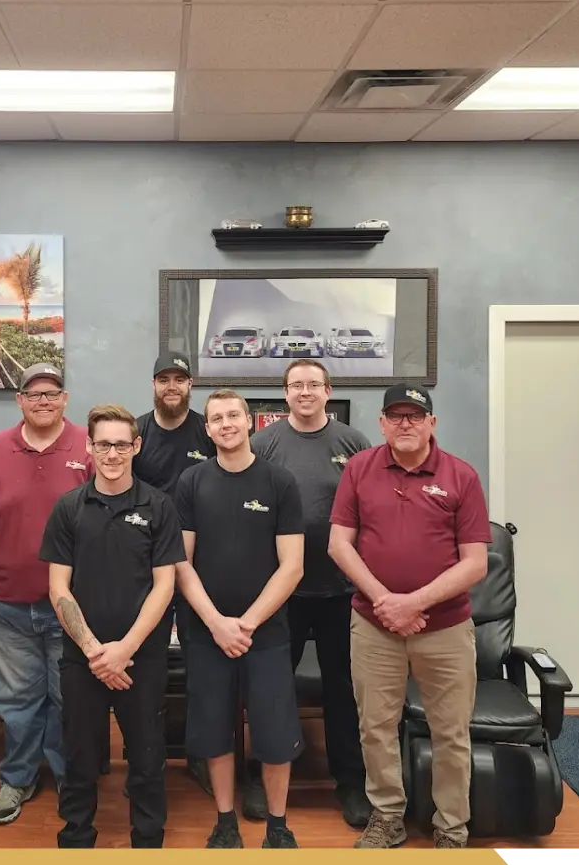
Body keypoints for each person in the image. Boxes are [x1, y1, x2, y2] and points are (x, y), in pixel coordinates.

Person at [328, 383, 490, 850]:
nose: (405, 424)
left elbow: (475, 562)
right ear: (381, 423)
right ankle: (387, 816)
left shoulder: (461, 476)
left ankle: (451, 826)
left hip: (445, 628)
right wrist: (387, 602)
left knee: (451, 732)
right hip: (374, 625)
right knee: (375, 726)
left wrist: (413, 603)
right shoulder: (359, 468)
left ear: (431, 424)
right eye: (395, 416)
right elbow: (340, 544)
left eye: (415, 416)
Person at [39, 403, 186, 849]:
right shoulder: (68, 508)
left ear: (136, 447)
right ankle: (77, 837)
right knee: (80, 756)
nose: (113, 453)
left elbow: (165, 587)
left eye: (122, 444)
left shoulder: (159, 507)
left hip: (141, 657)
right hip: (82, 658)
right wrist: (93, 651)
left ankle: (147, 840)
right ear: (89, 446)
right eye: (104, 444)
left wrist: (125, 649)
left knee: (145, 756)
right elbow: (58, 588)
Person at [0, 363, 94, 825]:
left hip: (70, 606)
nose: (43, 401)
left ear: (64, 398)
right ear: (19, 400)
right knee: (16, 699)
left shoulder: (88, 447)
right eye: (33, 394)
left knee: (67, 697)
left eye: (51, 393)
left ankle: (67, 778)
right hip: (3, 602)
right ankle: (16, 778)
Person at [174, 389, 305, 849]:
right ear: (206, 428)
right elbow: (180, 563)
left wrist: (244, 624)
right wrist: (215, 623)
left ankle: (277, 825)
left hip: (265, 634)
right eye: (216, 418)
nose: (226, 423)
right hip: (206, 633)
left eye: (234, 415)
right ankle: (225, 820)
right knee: (214, 731)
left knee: (274, 732)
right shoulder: (190, 482)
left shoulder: (279, 482)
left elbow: (292, 566)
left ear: (250, 422)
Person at [250, 359, 372, 827]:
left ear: (327, 391)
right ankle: (269, 778)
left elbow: (368, 511)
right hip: (284, 593)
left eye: (313, 385)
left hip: (342, 591)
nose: (305, 392)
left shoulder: (353, 442)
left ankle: (351, 782)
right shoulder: (265, 443)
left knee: (345, 690)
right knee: (274, 689)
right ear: (285, 394)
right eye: (296, 385)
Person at [132, 352, 216, 795]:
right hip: (144, 571)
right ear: (153, 384)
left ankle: (203, 758)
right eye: (163, 378)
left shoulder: (209, 429)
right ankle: (145, 763)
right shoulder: (137, 434)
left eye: (179, 379)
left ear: (190, 385)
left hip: (200, 571)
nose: (171, 386)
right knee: (148, 671)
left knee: (203, 669)